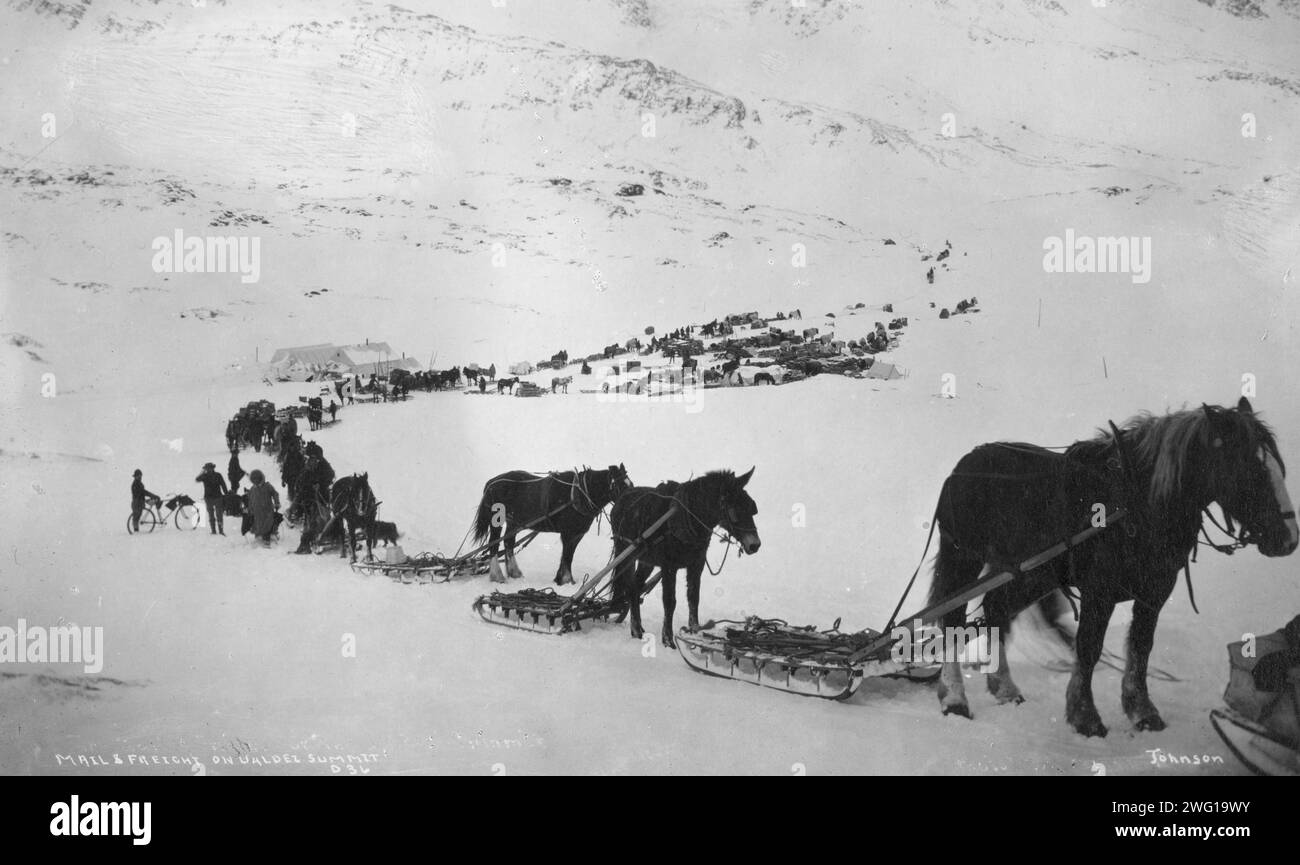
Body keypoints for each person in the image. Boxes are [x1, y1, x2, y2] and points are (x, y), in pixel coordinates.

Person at [246, 469, 281, 546]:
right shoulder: (252, 489)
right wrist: (249, 508)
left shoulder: (267, 486)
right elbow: (250, 500)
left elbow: (275, 494)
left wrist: (277, 502)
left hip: (267, 509)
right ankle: (259, 535)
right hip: (257, 511)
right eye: (254, 479)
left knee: (267, 523)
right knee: (258, 524)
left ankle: (267, 537)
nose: (256, 480)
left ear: (261, 478)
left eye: (257, 478)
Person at [196, 462, 229, 535]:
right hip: (210, 498)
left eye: (209, 468)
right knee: (213, 515)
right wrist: (202, 472)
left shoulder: (216, 475)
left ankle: (220, 530)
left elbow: (223, 485)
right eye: (207, 469)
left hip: (215, 497)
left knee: (218, 515)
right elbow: (197, 479)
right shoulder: (206, 476)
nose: (208, 470)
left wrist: (226, 494)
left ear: (213, 468)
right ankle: (214, 530)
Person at [129, 469, 161, 534]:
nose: (140, 477)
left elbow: (143, 492)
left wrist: (152, 496)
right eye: (138, 476)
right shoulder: (135, 484)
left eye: (140, 476)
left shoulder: (139, 483)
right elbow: (143, 492)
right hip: (136, 502)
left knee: (138, 516)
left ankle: (136, 531)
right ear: (135, 476)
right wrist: (153, 495)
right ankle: (136, 531)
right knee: (136, 516)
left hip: (140, 502)